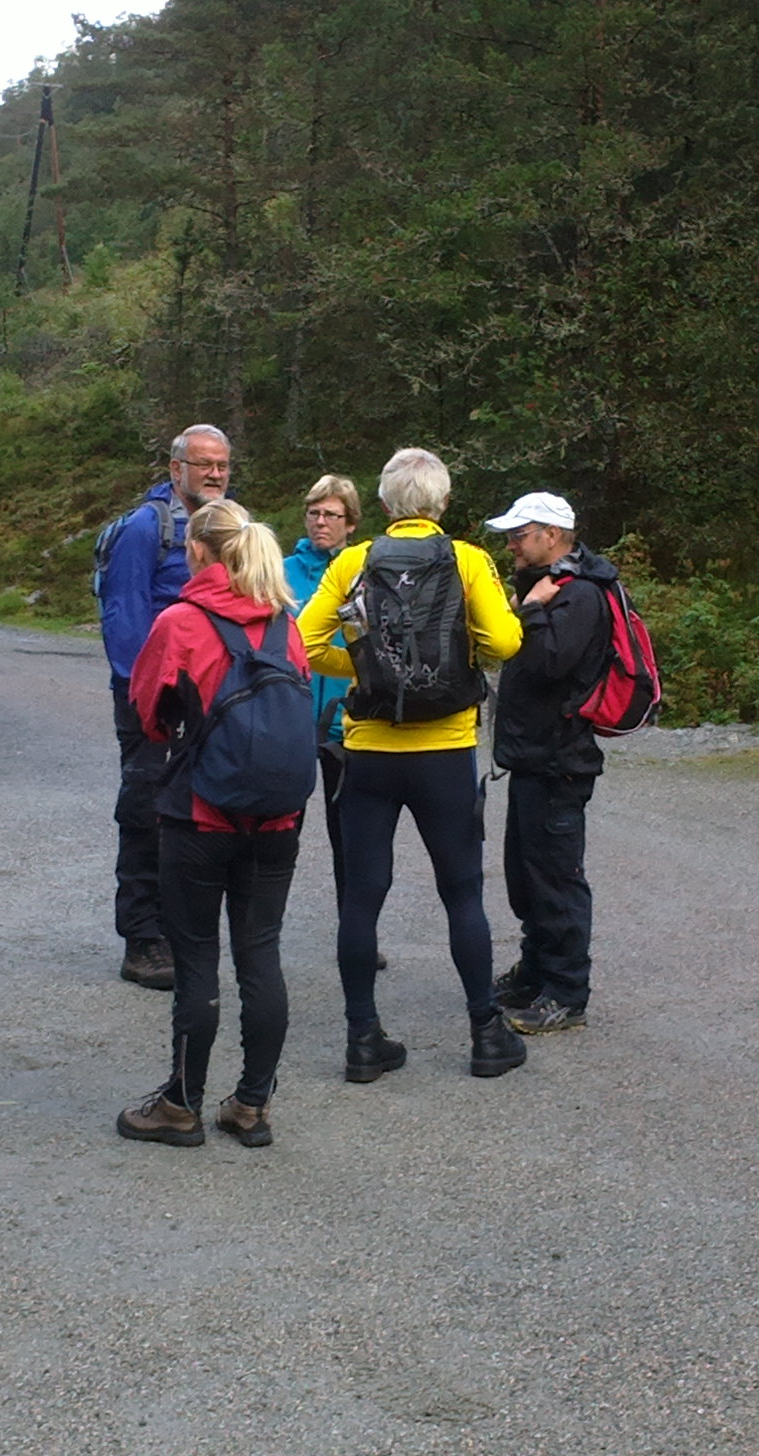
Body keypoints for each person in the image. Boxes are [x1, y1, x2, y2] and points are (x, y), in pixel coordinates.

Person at [296, 448, 528, 1082]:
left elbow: (306, 641)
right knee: (462, 891)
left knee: (362, 895)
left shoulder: (353, 560)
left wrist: (366, 668)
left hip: (369, 750)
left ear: (384, 504)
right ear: (443, 503)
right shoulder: (468, 560)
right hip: (444, 750)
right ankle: (485, 1034)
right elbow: (504, 641)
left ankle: (363, 1040)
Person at [116, 499, 311, 1148]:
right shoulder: (286, 624)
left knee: (197, 957)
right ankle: (252, 1104)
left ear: (197, 551)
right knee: (261, 954)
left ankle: (180, 1105)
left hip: (199, 815)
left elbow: (149, 713)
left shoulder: (181, 621)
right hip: (277, 820)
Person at [99, 425, 234, 992]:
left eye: (222, 464)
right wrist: (147, 699)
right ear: (176, 468)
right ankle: (142, 939)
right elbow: (124, 614)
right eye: (204, 464)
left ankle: (178, 930)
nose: (215, 474)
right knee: (146, 811)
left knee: (196, 815)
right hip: (154, 698)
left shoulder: (228, 526)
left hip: (210, 698)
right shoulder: (144, 529)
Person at [484, 491, 614, 1034]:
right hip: (535, 759)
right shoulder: (552, 588)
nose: (511, 545)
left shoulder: (579, 595)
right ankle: (536, 973)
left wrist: (532, 610)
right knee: (528, 876)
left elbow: (549, 663)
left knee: (557, 880)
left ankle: (566, 994)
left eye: (520, 535)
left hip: (560, 762)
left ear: (553, 535)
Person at [281, 475, 362, 909]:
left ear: (351, 523)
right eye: (314, 513)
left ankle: (354, 927)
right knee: (280, 828)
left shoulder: (364, 573)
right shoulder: (281, 572)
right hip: (291, 717)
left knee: (348, 833)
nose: (320, 522)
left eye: (331, 514)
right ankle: (261, 926)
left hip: (344, 721)